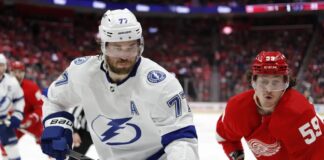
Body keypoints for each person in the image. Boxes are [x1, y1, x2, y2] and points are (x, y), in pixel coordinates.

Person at [40, 8, 198, 160]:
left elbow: (181, 139)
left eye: (131, 47)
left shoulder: (162, 84)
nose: (124, 56)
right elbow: (54, 99)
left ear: (140, 46)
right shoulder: (82, 72)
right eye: (117, 48)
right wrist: (56, 125)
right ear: (103, 46)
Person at [216, 51, 324, 160]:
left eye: (276, 83)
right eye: (263, 82)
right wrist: (237, 156)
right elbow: (225, 137)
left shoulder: (299, 114)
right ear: (253, 81)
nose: (269, 89)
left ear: (285, 84)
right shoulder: (237, 108)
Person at [0, 54, 25, 160]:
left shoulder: (12, 82)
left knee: (14, 153)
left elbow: (19, 100)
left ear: (5, 66)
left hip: (3, 122)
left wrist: (17, 115)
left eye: (1, 65)